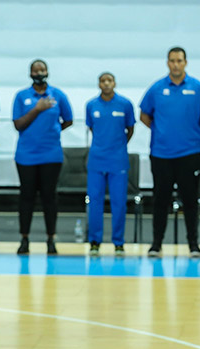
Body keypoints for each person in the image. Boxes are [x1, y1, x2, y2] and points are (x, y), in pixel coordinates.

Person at [140, 46, 200, 258]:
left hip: (189, 154)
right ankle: (156, 244)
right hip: (161, 154)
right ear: (167, 63)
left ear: (185, 63)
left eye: (179, 60)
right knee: (160, 201)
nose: (176, 64)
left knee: (190, 201)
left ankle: (193, 244)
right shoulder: (156, 88)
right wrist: (162, 131)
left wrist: (192, 131)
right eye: (172, 60)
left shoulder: (198, 88)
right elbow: (144, 116)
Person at [12, 59, 73, 255]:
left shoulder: (58, 95)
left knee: (49, 198)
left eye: (42, 70)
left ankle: (51, 239)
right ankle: (24, 239)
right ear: (30, 74)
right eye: (35, 70)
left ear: (47, 72)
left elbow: (68, 120)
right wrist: (37, 109)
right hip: (26, 155)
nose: (39, 73)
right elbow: (18, 124)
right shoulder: (21, 96)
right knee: (27, 197)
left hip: (51, 154)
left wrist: (53, 131)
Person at [85, 72, 135, 256]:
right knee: (95, 202)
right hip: (96, 161)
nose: (106, 83)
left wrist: (118, 146)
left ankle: (118, 242)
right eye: (103, 81)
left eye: (109, 80)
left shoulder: (125, 104)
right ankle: (95, 241)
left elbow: (130, 129)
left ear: (115, 83)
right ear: (98, 84)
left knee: (119, 203)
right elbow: (92, 128)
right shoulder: (91, 105)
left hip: (118, 161)